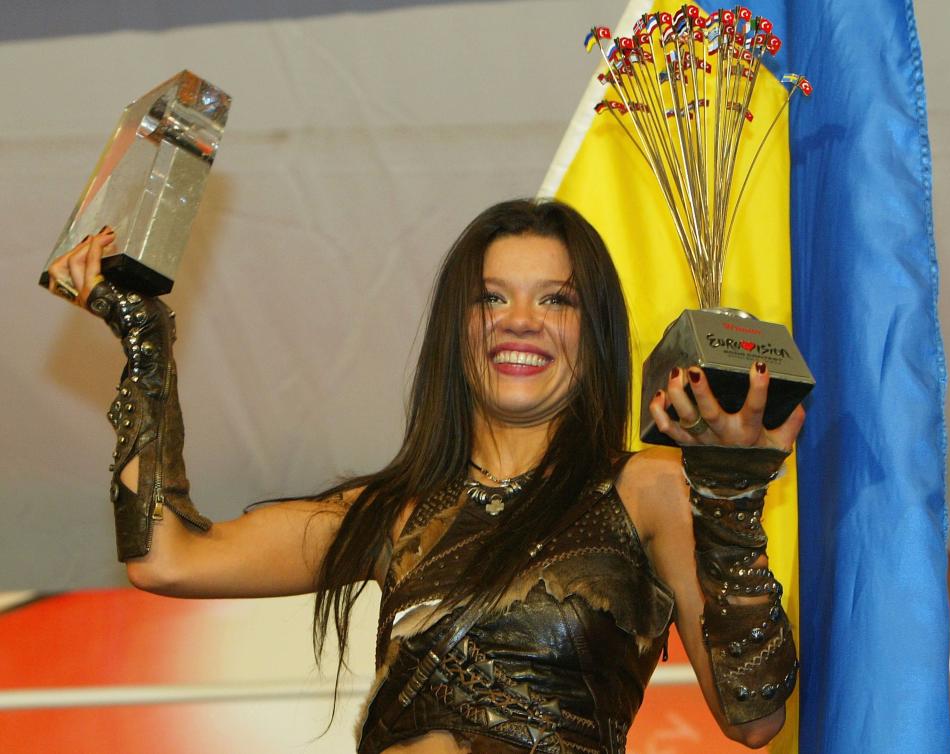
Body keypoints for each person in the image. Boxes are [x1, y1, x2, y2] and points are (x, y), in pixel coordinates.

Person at [47, 200, 803, 753]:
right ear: (458, 328)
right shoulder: (391, 514)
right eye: (493, 298)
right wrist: (145, 341)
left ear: (593, 330)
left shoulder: (646, 489)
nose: (520, 320)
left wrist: (733, 496)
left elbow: (753, 715)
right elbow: (166, 555)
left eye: (556, 300)